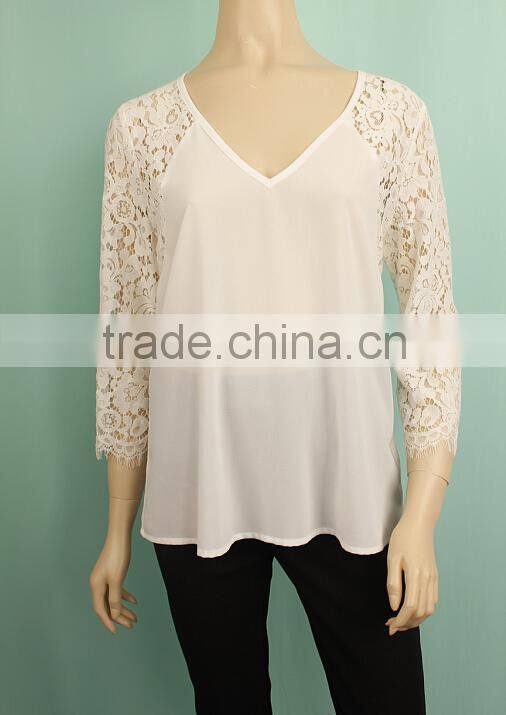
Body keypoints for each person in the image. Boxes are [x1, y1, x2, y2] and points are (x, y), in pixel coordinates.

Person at [90, 1, 461, 713]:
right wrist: (118, 524)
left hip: (350, 487)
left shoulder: (391, 119)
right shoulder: (141, 130)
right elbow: (128, 334)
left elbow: (431, 316)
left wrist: (421, 512)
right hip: (198, 489)